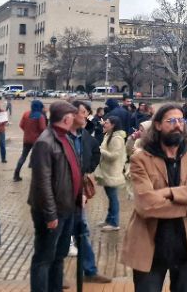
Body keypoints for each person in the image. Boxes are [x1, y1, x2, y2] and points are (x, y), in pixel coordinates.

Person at [121, 104, 187, 291]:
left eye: (180, 120)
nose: (177, 125)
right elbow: (146, 205)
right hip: (150, 245)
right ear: (157, 125)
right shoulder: (141, 159)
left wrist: (170, 193)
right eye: (171, 121)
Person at [28, 101, 82, 292]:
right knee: (44, 258)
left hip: (67, 208)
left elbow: (73, 170)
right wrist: (50, 214)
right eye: (73, 115)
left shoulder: (65, 137)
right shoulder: (45, 142)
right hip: (52, 211)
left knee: (59, 256)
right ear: (66, 119)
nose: (75, 118)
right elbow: (42, 182)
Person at [70, 101, 111, 283]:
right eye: (82, 112)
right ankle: (55, 275)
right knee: (59, 235)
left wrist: (88, 169)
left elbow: (95, 152)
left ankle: (90, 270)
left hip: (79, 192)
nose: (85, 116)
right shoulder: (60, 136)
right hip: (62, 194)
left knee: (83, 231)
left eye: (86, 112)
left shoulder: (84, 136)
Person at [94, 114, 127, 231]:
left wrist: (101, 151)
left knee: (113, 198)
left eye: (107, 122)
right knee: (110, 197)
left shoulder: (116, 139)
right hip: (107, 172)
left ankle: (114, 223)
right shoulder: (109, 135)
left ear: (113, 125)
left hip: (112, 173)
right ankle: (109, 219)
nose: (104, 124)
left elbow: (114, 156)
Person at [14, 99, 47, 182]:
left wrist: (27, 131)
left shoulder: (26, 114)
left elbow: (21, 125)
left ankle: (16, 174)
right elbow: (43, 128)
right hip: (37, 141)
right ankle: (37, 176)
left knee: (23, 156)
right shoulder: (40, 116)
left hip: (26, 139)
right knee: (38, 158)